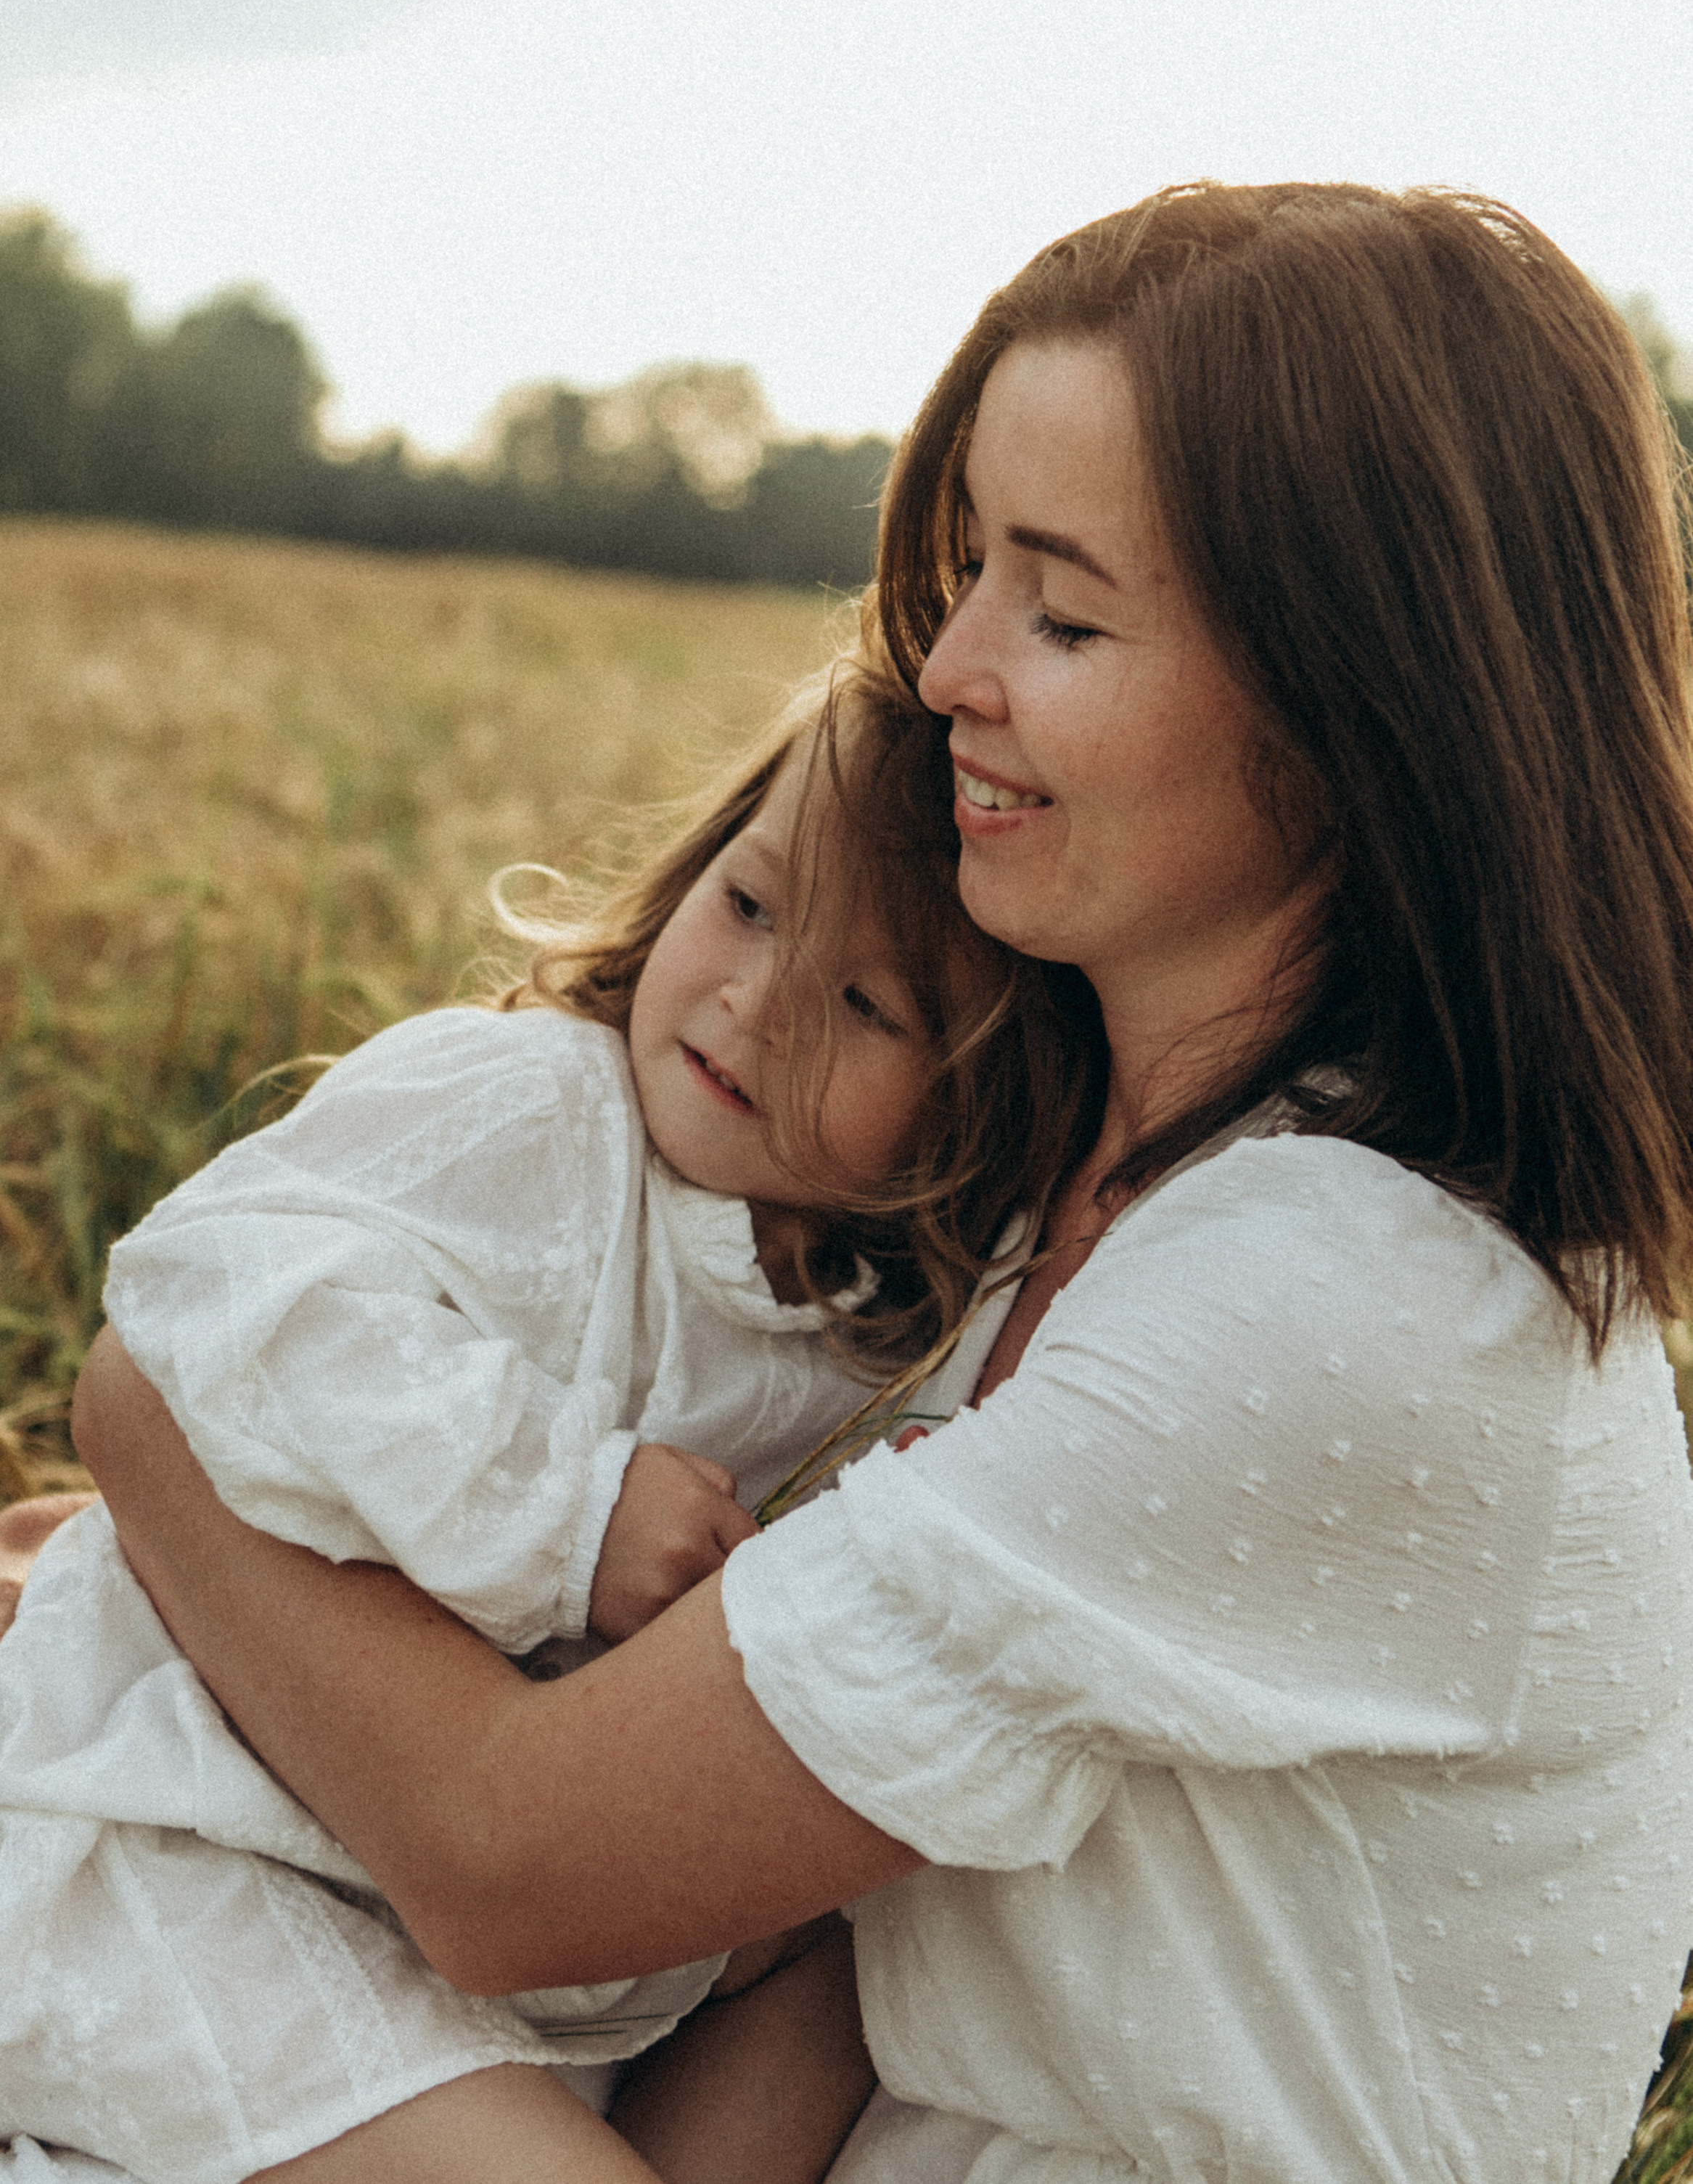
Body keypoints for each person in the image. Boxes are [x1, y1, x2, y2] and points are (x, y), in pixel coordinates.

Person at [40, 179, 1693, 2183]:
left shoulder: (1346, 1297)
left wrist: (154, 1421)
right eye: (968, 567)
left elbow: (509, 1854)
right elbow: (829, 1900)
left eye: (1061, 609)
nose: (942, 669)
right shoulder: (1041, 1191)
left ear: (1357, 708)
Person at [0, 659, 1084, 2184]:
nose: (754, 1003)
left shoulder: (873, 1331)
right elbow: (211, 1286)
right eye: (752, 903)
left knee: (863, 1955)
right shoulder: (537, 1112)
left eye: (863, 1003)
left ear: (977, 1103)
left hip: (438, 1948)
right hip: (180, 1859)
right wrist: (564, 1507)